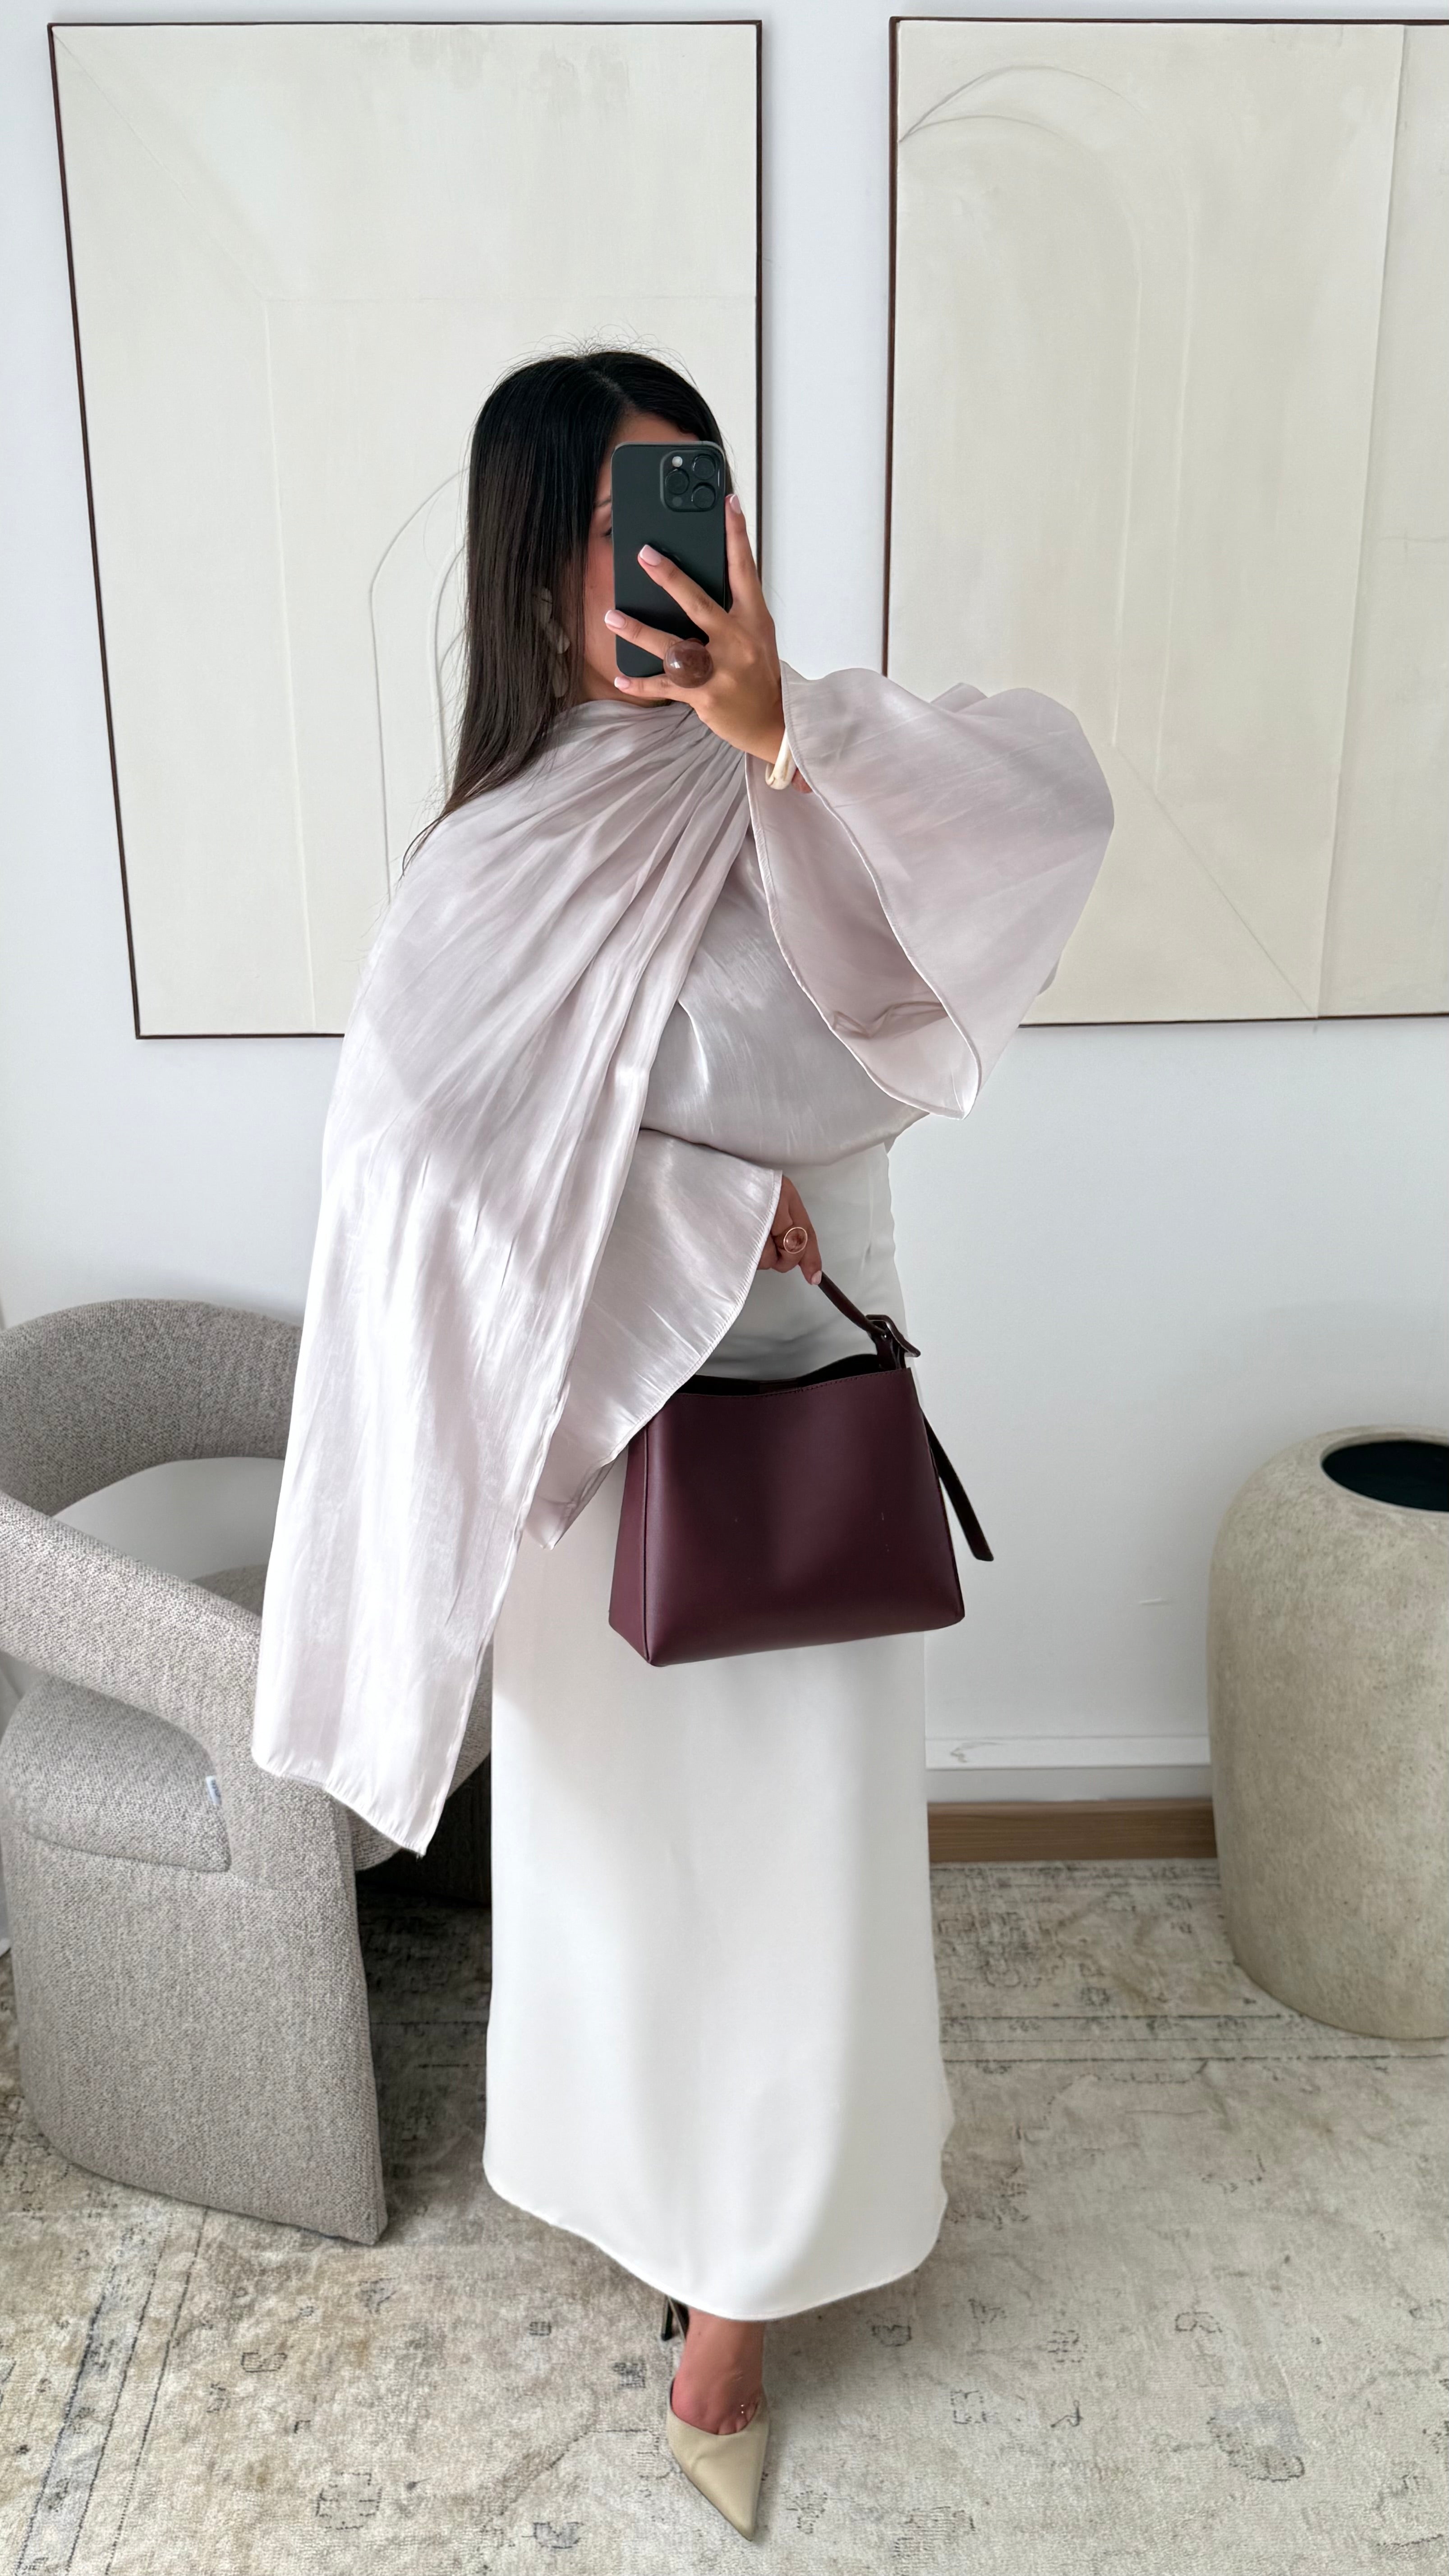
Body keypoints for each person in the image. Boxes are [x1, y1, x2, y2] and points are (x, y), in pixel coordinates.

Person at [249, 350, 1114, 2542]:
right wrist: (711, 1203)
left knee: (803, 1878)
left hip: (803, 1403)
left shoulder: (804, 759)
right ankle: (658, 2198)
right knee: (628, 1882)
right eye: (617, 528)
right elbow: (419, 1180)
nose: (665, 570)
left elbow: (1039, 832)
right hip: (593, 1440)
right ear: (538, 569)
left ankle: (741, 2303)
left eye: (690, 513)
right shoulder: (489, 857)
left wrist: (788, 727)